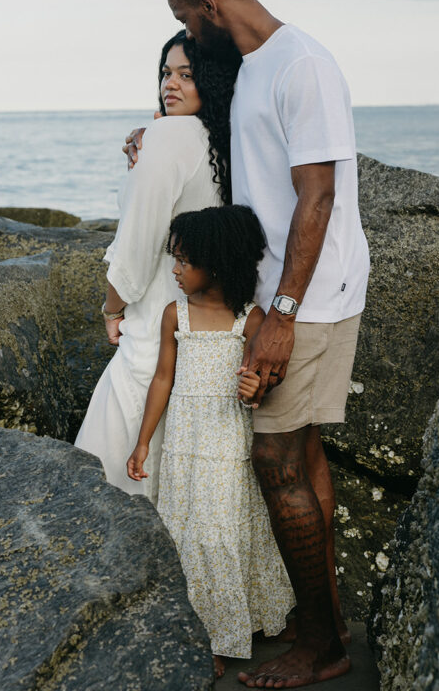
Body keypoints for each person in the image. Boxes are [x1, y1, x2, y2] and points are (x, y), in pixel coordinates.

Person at [126, 0, 370, 687]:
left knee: (274, 460)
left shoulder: (302, 64)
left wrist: (283, 314)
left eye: (182, 19)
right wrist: (148, 141)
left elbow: (317, 197)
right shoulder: (258, 65)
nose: (186, 36)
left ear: (205, 4)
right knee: (304, 455)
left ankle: (322, 646)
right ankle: (315, 615)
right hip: (283, 297)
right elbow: (243, 169)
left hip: (312, 299)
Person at [127, 205, 295, 680]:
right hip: (184, 443)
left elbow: (258, 382)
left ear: (216, 263)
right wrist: (143, 443)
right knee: (188, 534)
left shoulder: (251, 319)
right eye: (174, 260)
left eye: (184, 261)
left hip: (227, 443)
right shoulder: (174, 315)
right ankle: (203, 631)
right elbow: (163, 379)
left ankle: (236, 625)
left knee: (225, 530)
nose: (176, 270)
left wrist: (254, 388)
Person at [75, 30, 240, 502]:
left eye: (187, 74)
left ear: (211, 80)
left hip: (150, 334)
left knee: (104, 483)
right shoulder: (223, 143)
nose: (172, 83)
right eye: (166, 73)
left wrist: (112, 309)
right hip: (199, 334)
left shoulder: (169, 136)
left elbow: (138, 244)